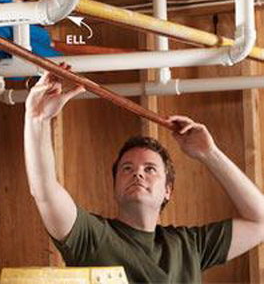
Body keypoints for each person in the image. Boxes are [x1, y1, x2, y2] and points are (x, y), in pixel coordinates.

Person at [24, 72, 264, 283]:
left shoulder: (189, 246)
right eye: (127, 168)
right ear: (115, 184)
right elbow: (45, 191)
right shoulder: (92, 237)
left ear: (168, 190)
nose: (137, 172)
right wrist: (37, 120)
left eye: (150, 169)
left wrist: (209, 153)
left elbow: (259, 222)